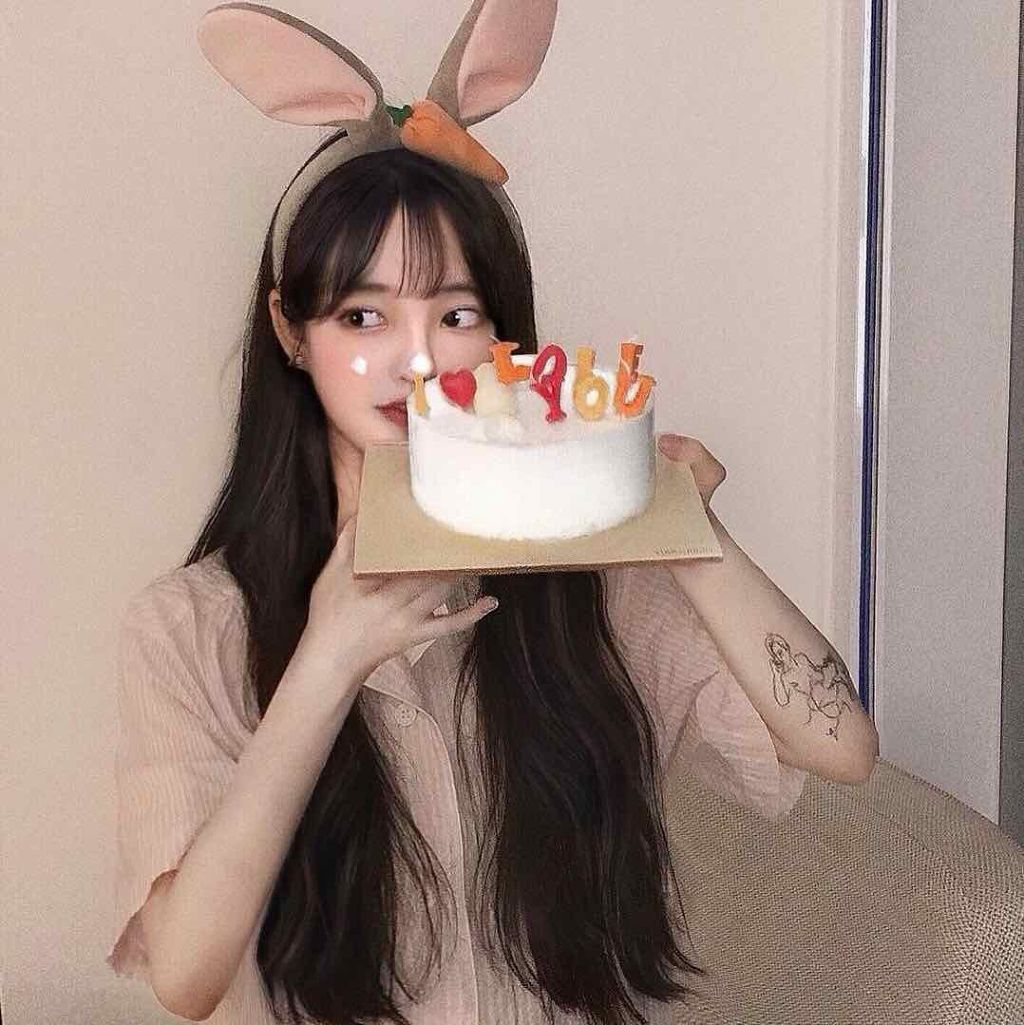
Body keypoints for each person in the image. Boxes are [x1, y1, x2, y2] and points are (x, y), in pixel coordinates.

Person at [107, 5, 878, 1025]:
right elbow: (186, 971)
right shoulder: (190, 626)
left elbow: (840, 744)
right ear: (291, 330)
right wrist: (328, 662)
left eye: (457, 313)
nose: (417, 358)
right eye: (363, 315)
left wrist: (686, 529)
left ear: (505, 337)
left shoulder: (588, 587)